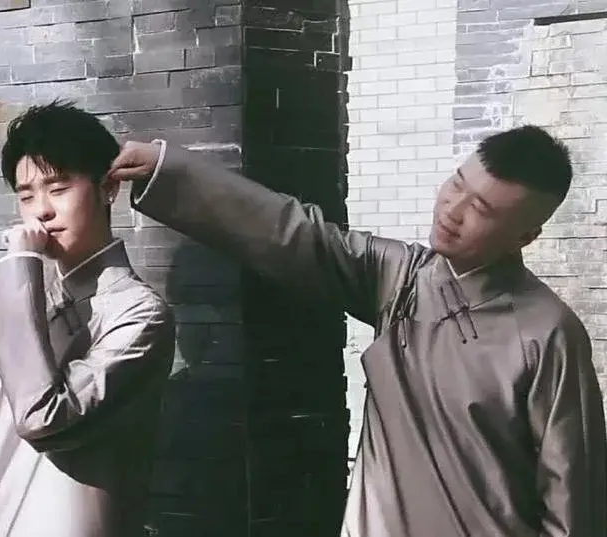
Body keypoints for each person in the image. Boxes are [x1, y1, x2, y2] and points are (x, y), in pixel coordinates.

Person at [109, 125, 607, 537]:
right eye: (457, 185)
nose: (452, 211)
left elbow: (571, 492)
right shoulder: (403, 278)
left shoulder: (547, 332)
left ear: (525, 235)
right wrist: (170, 170)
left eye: (480, 210)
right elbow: (292, 232)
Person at [0, 101, 175, 537]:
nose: (41, 210)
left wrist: (18, 270)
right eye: (26, 196)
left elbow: (43, 418)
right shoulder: (35, 298)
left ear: (108, 188)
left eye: (58, 189)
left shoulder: (140, 313)